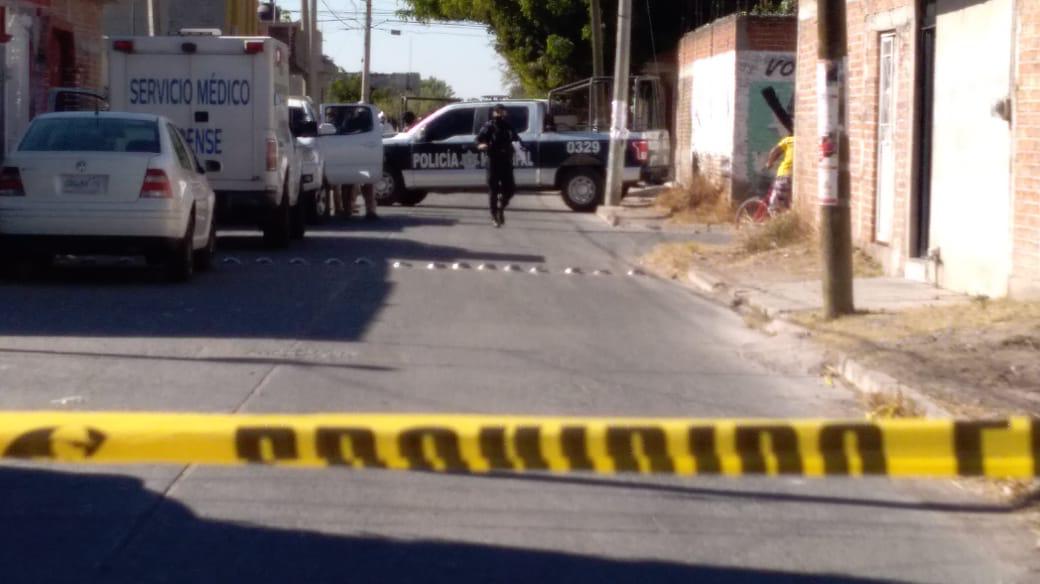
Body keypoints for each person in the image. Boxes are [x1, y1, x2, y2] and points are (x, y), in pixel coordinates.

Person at [476, 104, 526, 227]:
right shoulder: (489, 126)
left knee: (510, 189)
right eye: (497, 111)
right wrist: (482, 145)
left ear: (505, 113)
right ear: (494, 113)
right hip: (493, 161)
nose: (500, 113)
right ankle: (494, 216)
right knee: (493, 190)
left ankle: (501, 208)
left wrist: (520, 148)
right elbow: (478, 140)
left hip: (506, 161)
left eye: (502, 111)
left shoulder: (508, 126)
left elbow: (517, 140)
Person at [765, 133, 794, 211]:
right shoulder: (803, 142)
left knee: (774, 206)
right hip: (796, 177)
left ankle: (776, 217)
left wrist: (769, 163)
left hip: (785, 174)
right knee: (789, 204)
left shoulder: (789, 140)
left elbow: (774, 151)